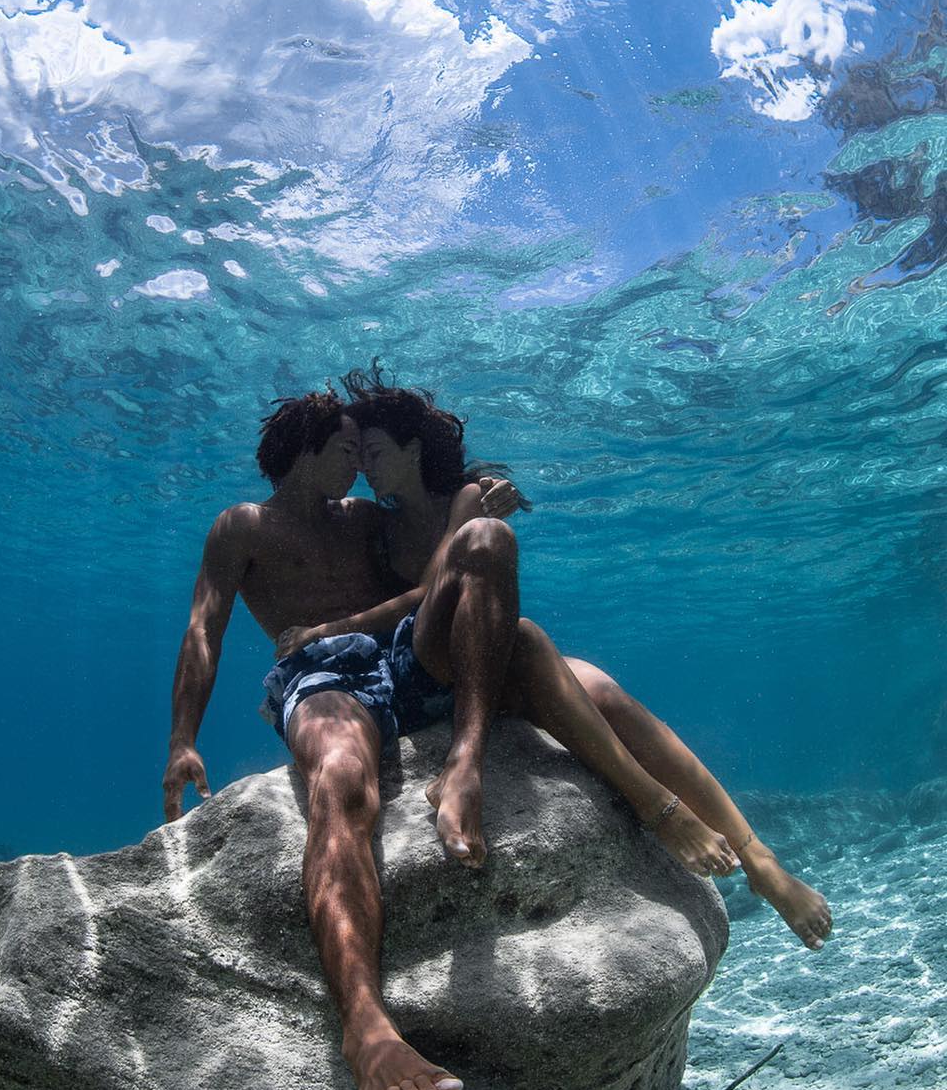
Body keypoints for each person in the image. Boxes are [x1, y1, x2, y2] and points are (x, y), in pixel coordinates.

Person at [278, 367, 832, 952]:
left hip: (489, 657)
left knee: (596, 685)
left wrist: (339, 625)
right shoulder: (378, 523)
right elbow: (417, 587)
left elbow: (442, 580)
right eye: (357, 453)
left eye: (373, 450)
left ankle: (761, 860)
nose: (363, 465)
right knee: (526, 625)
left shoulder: (466, 497)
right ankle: (660, 809)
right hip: (427, 664)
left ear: (413, 448)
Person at [163, 389, 526, 1090]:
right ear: (303, 450)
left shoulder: (366, 520)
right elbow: (205, 630)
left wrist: (483, 487)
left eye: (365, 451)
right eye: (345, 450)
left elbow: (436, 539)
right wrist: (182, 739)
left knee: (562, 679)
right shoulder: (242, 527)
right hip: (325, 677)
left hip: (399, 658)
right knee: (340, 781)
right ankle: (365, 1026)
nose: (360, 466)